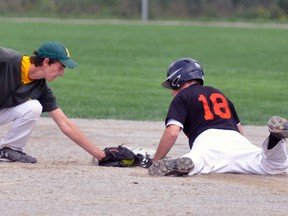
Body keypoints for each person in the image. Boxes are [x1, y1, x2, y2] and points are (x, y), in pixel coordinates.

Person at [148, 57, 288, 176]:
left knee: (199, 161)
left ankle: (187, 162)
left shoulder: (182, 97)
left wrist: (156, 160)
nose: (172, 93)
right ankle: (274, 138)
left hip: (206, 142)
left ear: (177, 79)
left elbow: (172, 133)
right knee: (271, 165)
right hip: (237, 141)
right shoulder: (219, 94)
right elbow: (240, 131)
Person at [0, 41, 106, 163]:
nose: (61, 73)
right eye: (60, 68)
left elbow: (65, 123)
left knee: (33, 107)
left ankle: (9, 150)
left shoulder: (41, 90)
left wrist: (100, 155)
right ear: (46, 62)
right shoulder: (7, 58)